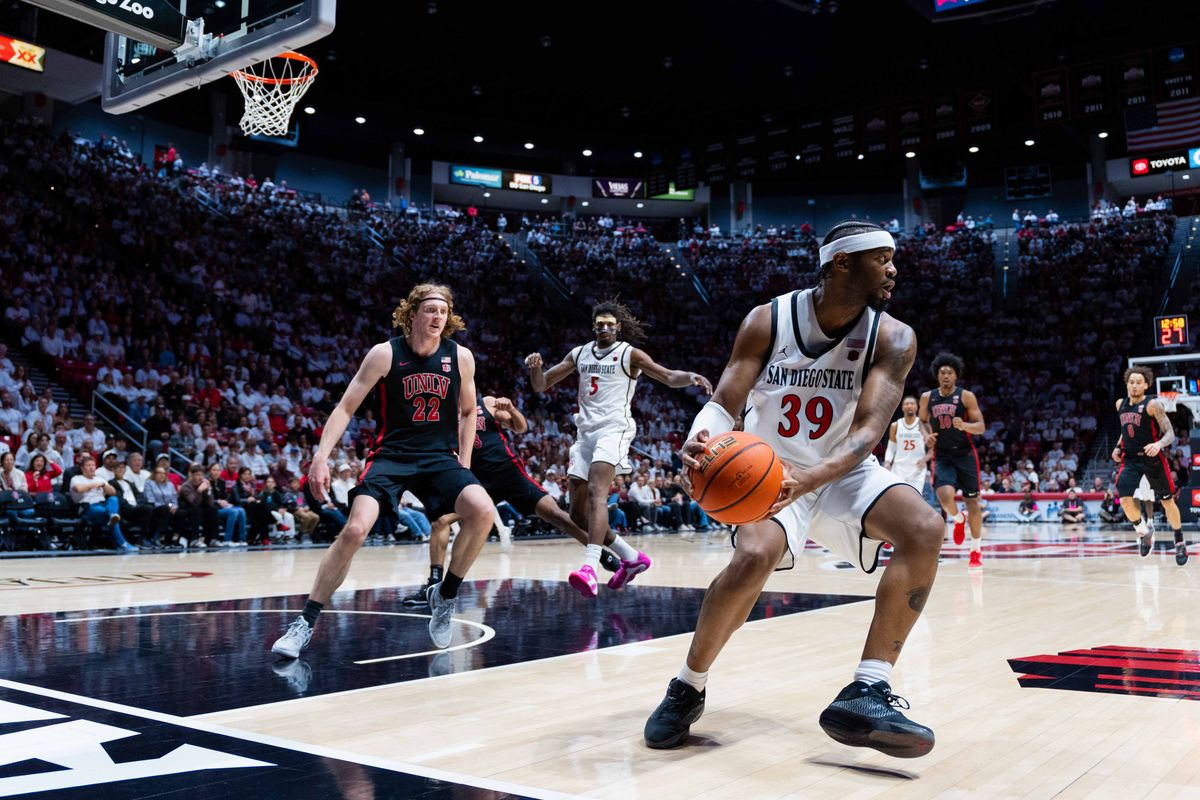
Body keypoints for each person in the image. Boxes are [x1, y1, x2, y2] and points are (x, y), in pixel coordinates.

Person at [643, 220, 942, 757]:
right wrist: (699, 441)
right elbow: (726, 399)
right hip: (768, 468)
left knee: (924, 527)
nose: (894, 269)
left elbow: (870, 431)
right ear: (842, 263)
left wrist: (815, 477)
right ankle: (688, 687)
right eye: (882, 259)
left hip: (841, 469)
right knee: (753, 555)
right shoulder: (769, 319)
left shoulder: (894, 337)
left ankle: (867, 689)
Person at [271, 284, 496, 658]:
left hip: (440, 457)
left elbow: (470, 411)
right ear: (412, 314)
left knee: (484, 510)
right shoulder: (384, 354)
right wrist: (321, 456)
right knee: (355, 530)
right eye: (430, 310)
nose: (437, 317)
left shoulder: (461, 357)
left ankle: (445, 595)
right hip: (392, 455)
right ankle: (304, 623)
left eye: (443, 311)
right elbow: (346, 408)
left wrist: (466, 466)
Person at [525, 300, 713, 597]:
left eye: (609, 325)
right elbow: (542, 385)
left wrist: (690, 377)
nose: (604, 328)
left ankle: (589, 567)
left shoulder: (629, 354)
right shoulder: (580, 353)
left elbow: (665, 375)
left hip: (614, 429)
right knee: (577, 513)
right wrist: (536, 369)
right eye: (599, 324)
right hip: (585, 433)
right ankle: (632, 558)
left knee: (598, 494)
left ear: (618, 328)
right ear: (593, 326)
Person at [403, 394, 630, 606]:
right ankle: (433, 584)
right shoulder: (442, 421)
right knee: (441, 521)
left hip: (509, 474)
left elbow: (521, 427)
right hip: (478, 482)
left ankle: (603, 555)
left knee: (557, 515)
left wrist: (511, 408)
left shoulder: (487, 404)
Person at [1112, 366, 1186, 565]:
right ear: (1127, 384)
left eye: (1138, 382)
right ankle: (1143, 531)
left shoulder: (1153, 405)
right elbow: (1125, 429)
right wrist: (1118, 446)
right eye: (1131, 382)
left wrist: (1158, 444)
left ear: (1146, 385)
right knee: (1125, 498)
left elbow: (1169, 432)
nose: (1134, 386)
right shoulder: (1120, 404)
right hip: (1131, 460)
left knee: (1167, 501)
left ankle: (1179, 540)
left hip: (1152, 458)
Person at [919, 352, 987, 569]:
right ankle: (958, 520)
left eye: (950, 372)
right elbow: (921, 422)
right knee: (945, 496)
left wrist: (965, 426)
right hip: (943, 455)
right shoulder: (927, 397)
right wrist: (926, 435)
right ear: (937, 376)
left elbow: (981, 427)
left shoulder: (966, 396)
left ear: (956, 376)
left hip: (966, 454)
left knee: (973, 503)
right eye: (942, 372)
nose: (946, 375)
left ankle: (975, 549)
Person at [69, 454, 137, 552]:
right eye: (89, 465)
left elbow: (113, 491)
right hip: (87, 507)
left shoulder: (99, 479)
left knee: (113, 499)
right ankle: (121, 542)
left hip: (104, 505)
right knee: (109, 515)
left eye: (93, 465)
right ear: (82, 468)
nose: (92, 467)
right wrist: (93, 485)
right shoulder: (76, 478)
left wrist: (104, 485)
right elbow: (79, 489)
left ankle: (113, 517)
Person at [884, 396, 930, 495]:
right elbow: (891, 447)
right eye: (906, 404)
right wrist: (887, 462)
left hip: (917, 469)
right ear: (902, 407)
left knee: (915, 500)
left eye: (912, 403)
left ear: (917, 407)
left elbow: (933, 449)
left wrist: (925, 459)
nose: (909, 406)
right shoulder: (895, 425)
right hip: (898, 468)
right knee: (897, 498)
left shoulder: (923, 425)